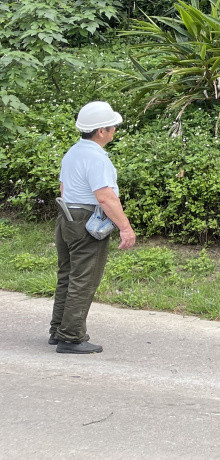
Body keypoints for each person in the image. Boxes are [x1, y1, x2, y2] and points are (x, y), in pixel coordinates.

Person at [49, 100, 137, 354]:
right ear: (101, 131)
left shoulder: (73, 152)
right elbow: (105, 196)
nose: (114, 131)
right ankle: (71, 336)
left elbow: (64, 189)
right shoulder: (96, 158)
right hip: (87, 220)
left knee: (67, 276)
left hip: (66, 216)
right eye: (112, 127)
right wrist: (125, 227)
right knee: (84, 280)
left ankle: (57, 330)